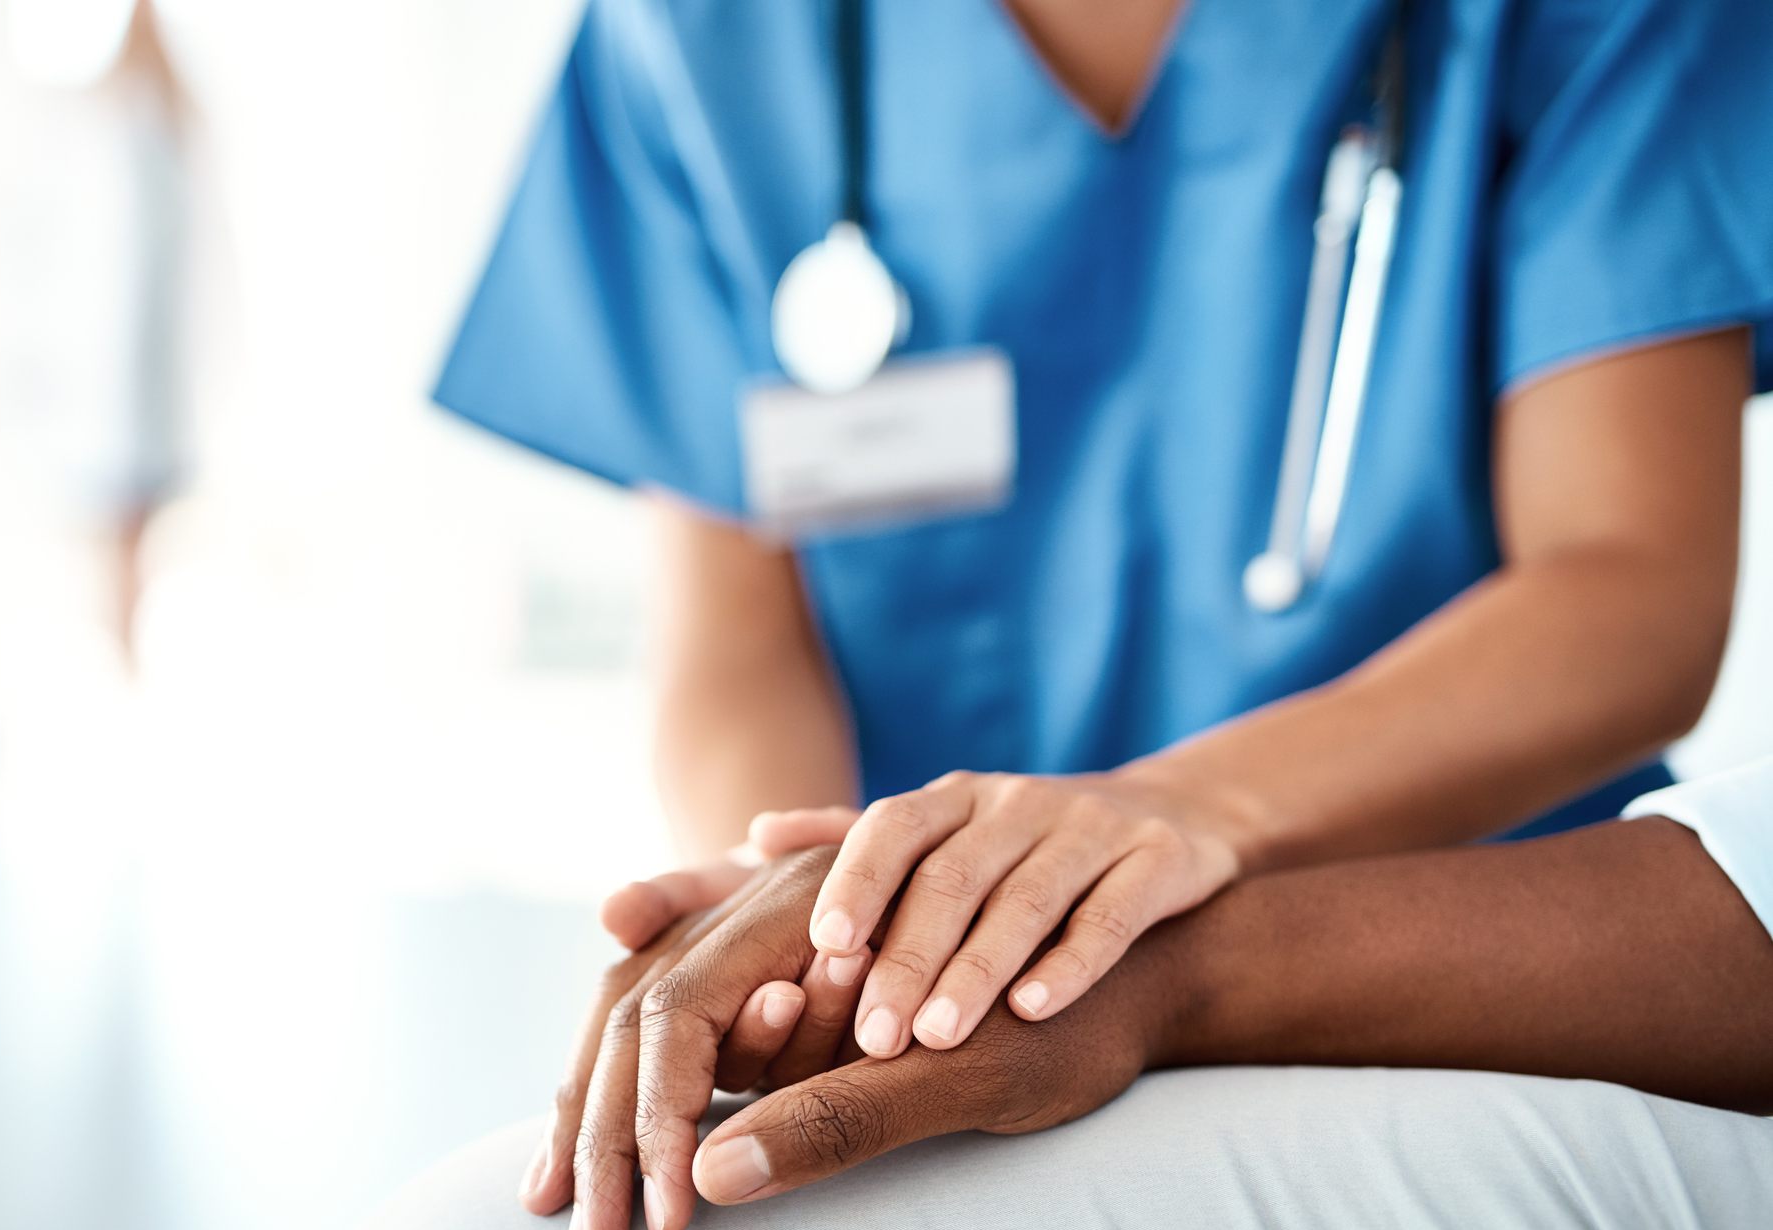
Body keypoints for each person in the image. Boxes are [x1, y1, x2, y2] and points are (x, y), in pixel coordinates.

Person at [439, 0, 1772, 1080]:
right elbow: (738, 639)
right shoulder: (702, 37)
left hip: (1468, 994)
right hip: (949, 1025)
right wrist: (821, 917)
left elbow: (1628, 592)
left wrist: (1162, 823)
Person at [323, 756, 1773, 1230]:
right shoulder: (694, 83)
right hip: (996, 944)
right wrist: (828, 926)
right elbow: (733, 600)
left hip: (1503, 954)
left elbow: (1622, 583)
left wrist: (1159, 955)